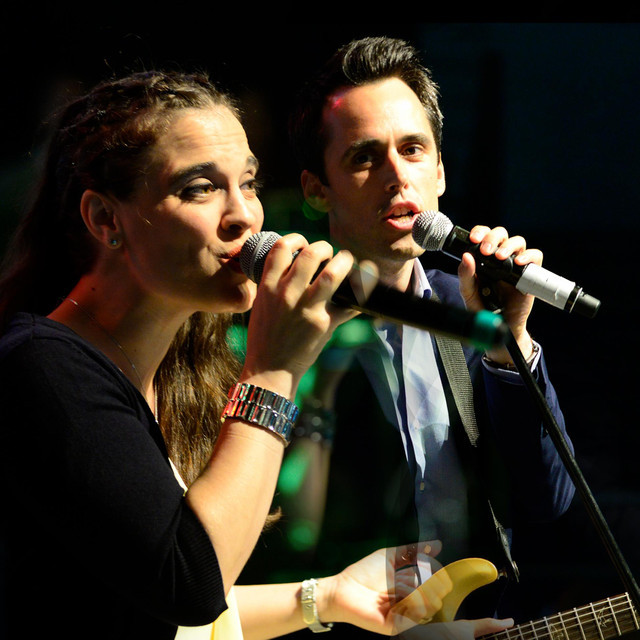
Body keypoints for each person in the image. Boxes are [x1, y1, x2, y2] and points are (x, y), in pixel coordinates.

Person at [0, 69, 517, 640]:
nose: (245, 216)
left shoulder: (174, 374)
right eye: (200, 188)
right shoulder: (41, 367)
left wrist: (324, 597)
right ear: (104, 219)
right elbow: (190, 586)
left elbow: (155, 608)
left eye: (247, 183)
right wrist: (274, 370)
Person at [284, 36, 576, 631]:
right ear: (316, 189)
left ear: (440, 170)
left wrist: (510, 343)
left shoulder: (467, 307)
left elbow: (547, 500)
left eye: (413, 149)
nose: (398, 175)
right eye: (365, 157)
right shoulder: (282, 326)